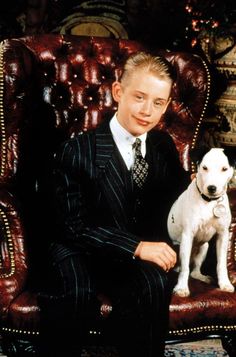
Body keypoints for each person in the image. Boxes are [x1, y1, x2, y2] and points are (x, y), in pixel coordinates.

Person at [38, 51, 189, 357]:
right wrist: (136, 246)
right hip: (78, 245)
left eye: (158, 103)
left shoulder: (162, 147)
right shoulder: (79, 149)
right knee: (77, 292)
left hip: (128, 253)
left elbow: (181, 198)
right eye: (139, 97)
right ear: (118, 92)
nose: (147, 111)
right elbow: (72, 226)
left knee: (154, 283)